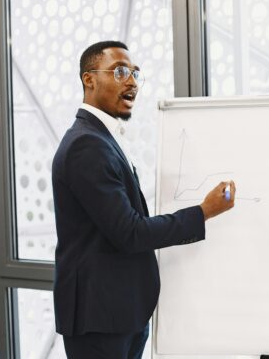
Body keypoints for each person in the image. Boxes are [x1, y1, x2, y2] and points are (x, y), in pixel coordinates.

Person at [51, 40, 236, 359]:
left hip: (120, 314)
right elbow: (129, 233)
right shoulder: (87, 146)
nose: (132, 81)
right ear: (89, 79)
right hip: (101, 321)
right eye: (120, 71)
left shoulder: (100, 138)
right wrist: (204, 211)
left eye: (135, 73)